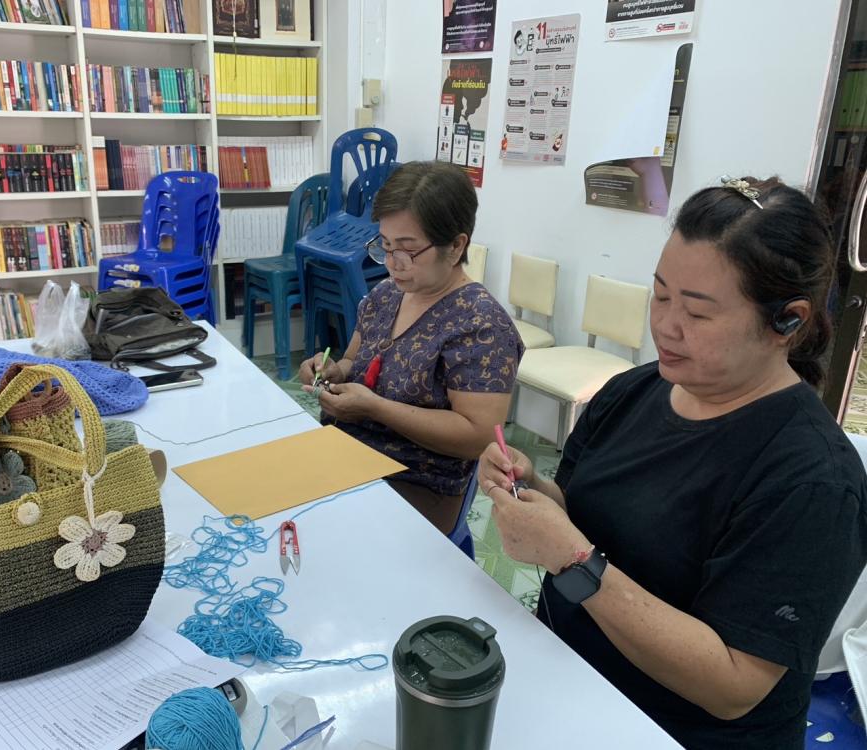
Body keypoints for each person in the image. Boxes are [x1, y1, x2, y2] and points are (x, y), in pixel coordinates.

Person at [478, 176, 867, 749]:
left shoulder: (814, 481)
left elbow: (733, 685)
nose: (664, 324)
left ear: (787, 321)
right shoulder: (632, 391)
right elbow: (583, 510)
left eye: (698, 313)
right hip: (565, 683)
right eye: (661, 296)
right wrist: (533, 486)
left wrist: (573, 560)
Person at [299, 160, 523, 534]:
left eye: (407, 250)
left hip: (416, 481)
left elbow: (477, 435)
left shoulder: (481, 325)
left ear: (456, 246)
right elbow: (355, 359)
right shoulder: (386, 295)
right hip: (347, 453)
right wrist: (334, 370)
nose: (392, 263)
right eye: (384, 246)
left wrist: (375, 407)